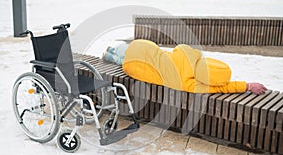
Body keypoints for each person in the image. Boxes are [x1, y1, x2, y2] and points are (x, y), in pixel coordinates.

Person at [103, 39, 267, 95]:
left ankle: (114, 50)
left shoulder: (189, 55)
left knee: (128, 51)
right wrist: (247, 86)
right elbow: (221, 89)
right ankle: (111, 57)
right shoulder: (188, 83)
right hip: (135, 67)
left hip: (143, 48)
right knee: (124, 63)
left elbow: (179, 47)